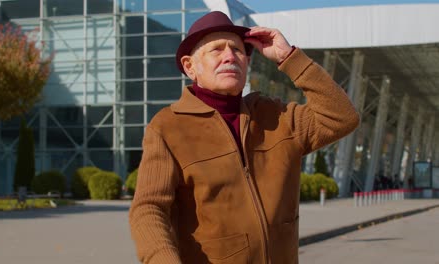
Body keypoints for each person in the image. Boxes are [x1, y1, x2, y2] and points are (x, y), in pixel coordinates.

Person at [129, 11, 360, 264]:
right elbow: (149, 210)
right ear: (189, 66)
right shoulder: (168, 126)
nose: (230, 56)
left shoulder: (276, 116)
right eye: (216, 50)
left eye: (238, 50)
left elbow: (342, 117)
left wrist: (288, 58)